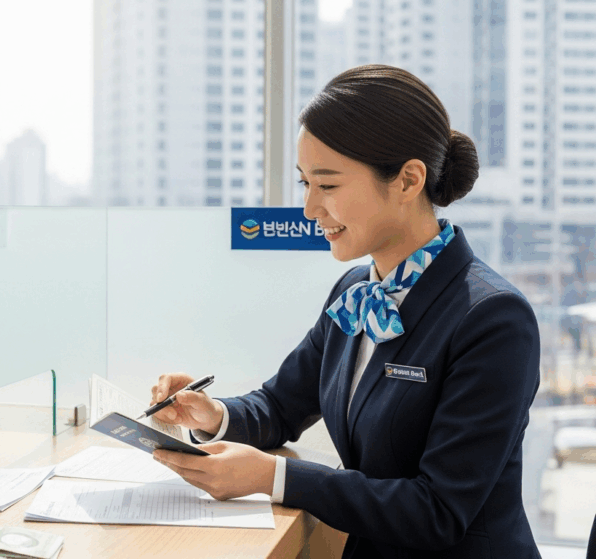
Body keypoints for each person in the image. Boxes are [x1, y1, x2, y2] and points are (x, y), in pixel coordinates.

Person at [149, 65, 541, 558]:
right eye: (304, 184)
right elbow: (278, 405)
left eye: (328, 186)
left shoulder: (493, 318)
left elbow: (439, 510)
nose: (310, 209)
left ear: (408, 179)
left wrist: (276, 478)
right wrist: (213, 413)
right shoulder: (355, 290)